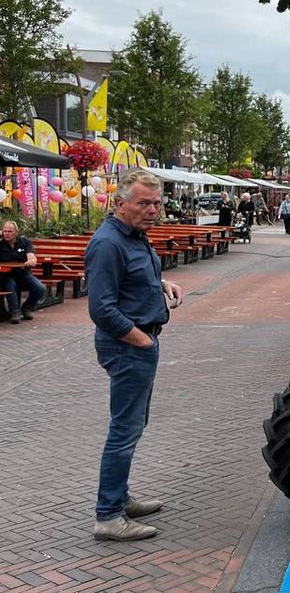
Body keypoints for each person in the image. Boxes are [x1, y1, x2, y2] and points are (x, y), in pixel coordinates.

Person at [84, 169, 184, 541]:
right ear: (120, 203)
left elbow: (131, 278)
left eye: (156, 203)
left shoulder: (135, 236)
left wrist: (161, 283)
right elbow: (101, 308)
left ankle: (120, 497)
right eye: (144, 203)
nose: (153, 210)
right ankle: (108, 515)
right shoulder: (108, 243)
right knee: (124, 430)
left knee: (133, 425)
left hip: (138, 345)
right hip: (128, 347)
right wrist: (141, 340)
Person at [0, 220, 47, 323]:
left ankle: (27, 307)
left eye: (10, 231)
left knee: (40, 288)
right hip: (6, 275)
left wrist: (32, 260)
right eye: (5, 231)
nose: (7, 233)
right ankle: (15, 311)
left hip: (23, 274)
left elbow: (31, 255)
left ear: (17, 232)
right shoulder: (1, 244)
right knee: (10, 285)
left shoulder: (25, 242)